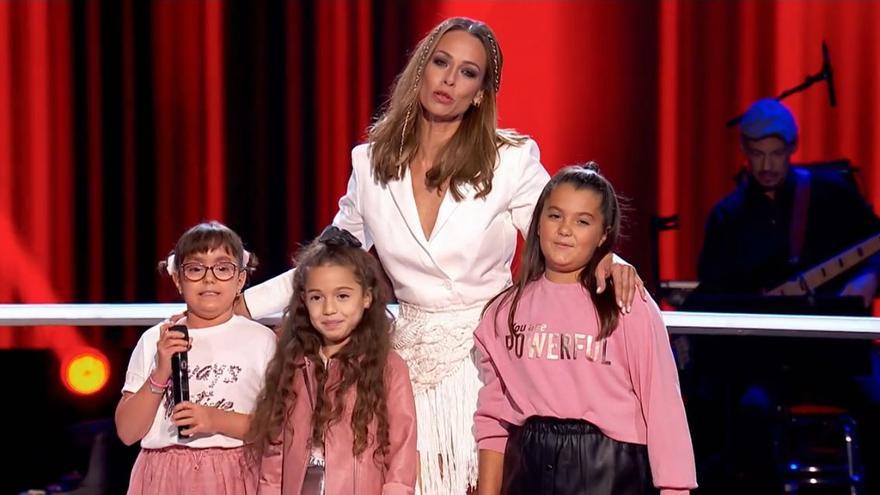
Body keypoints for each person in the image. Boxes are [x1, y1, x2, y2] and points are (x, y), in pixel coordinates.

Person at [241, 17, 644, 493]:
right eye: (441, 62)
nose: (450, 79)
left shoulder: (509, 160)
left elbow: (561, 229)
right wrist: (239, 306)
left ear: (480, 93)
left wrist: (607, 259)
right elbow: (328, 261)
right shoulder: (370, 165)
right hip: (405, 360)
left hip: (489, 357)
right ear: (421, 70)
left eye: (468, 72)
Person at [473, 164, 696, 495]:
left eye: (582, 221)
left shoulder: (626, 303)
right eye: (555, 216)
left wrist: (674, 489)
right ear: (536, 224)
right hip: (528, 469)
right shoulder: (502, 312)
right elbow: (493, 419)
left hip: (609, 469)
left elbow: (662, 402)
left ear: (603, 235)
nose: (565, 230)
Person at [247, 226, 418, 494]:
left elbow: (401, 450)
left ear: (366, 297)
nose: (329, 309)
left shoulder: (389, 367)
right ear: (304, 300)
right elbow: (274, 449)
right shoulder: (293, 363)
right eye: (317, 297)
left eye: (342, 296)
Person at [115, 221, 277, 494]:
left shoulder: (261, 341)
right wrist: (160, 371)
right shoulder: (156, 339)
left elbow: (277, 427)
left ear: (240, 280)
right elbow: (128, 432)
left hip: (236, 472)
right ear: (178, 279)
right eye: (195, 269)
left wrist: (215, 419)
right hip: (163, 476)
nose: (209, 278)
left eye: (223, 268)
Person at [696, 98, 880, 309]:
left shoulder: (832, 195)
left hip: (833, 336)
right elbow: (713, 293)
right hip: (762, 340)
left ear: (793, 147)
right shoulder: (726, 217)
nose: (767, 166)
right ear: (743, 149)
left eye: (776, 153)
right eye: (757, 154)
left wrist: (870, 276)